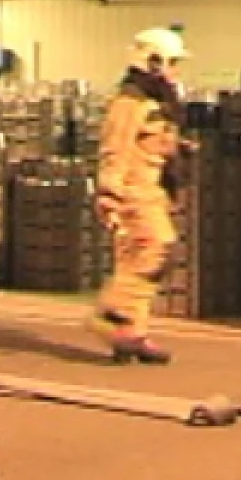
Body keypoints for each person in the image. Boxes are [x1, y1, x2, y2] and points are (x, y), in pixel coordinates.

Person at [90, 27, 193, 365]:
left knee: (135, 262)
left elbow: (155, 143)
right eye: (173, 62)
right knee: (157, 249)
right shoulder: (129, 103)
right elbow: (113, 150)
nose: (177, 69)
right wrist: (109, 195)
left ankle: (129, 335)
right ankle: (111, 310)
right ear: (153, 61)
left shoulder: (156, 102)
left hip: (153, 190)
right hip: (134, 192)